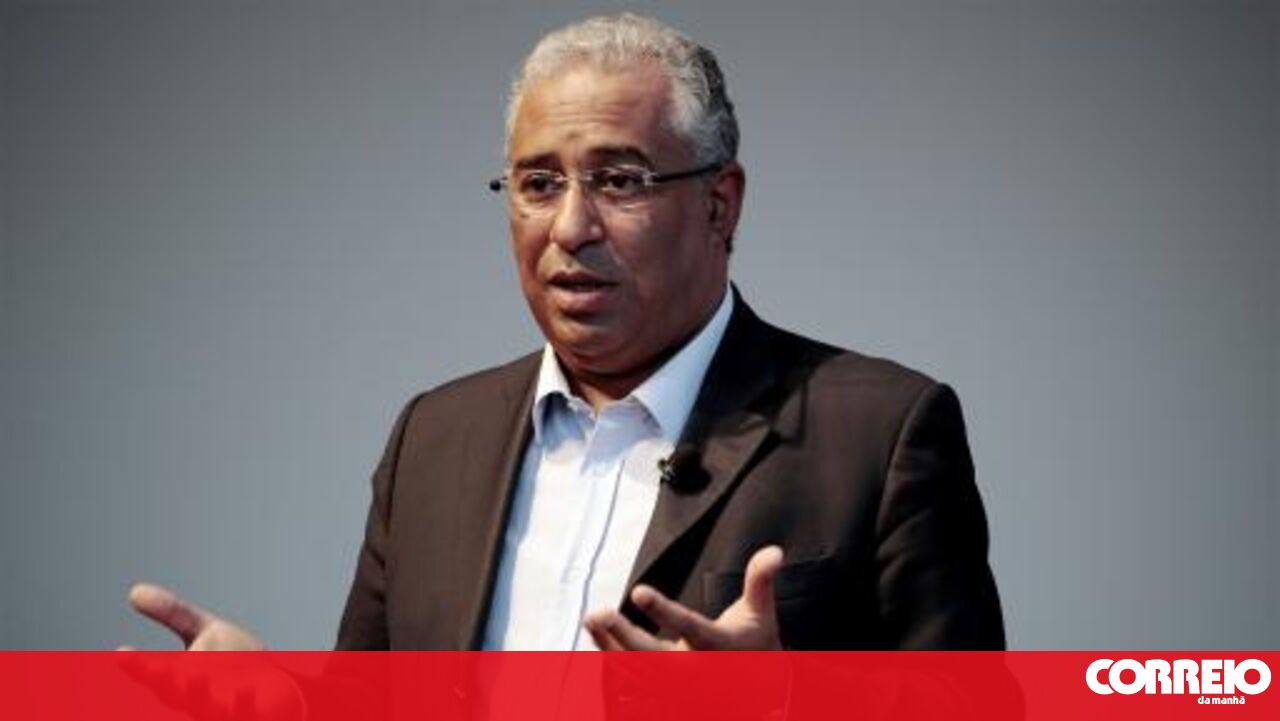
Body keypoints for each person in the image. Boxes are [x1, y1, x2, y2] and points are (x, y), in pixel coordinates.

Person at [128, 12, 1003, 653]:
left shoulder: (879, 433)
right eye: (539, 184)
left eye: (619, 181)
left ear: (719, 204)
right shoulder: (434, 438)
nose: (571, 227)